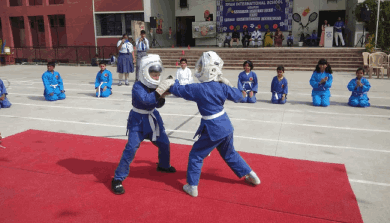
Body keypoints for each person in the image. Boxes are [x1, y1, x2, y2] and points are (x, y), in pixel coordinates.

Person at [156, 51, 260, 197]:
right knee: (230, 153)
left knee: (196, 155)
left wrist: (172, 82)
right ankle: (251, 174)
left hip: (213, 128)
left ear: (209, 69)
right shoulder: (221, 87)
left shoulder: (199, 89)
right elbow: (239, 96)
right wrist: (228, 84)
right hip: (226, 126)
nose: (199, 69)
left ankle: (192, 186)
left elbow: (180, 90)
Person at [111, 54, 176, 195]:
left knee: (164, 143)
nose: (156, 76)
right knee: (131, 148)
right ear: (145, 72)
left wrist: (164, 94)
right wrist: (160, 91)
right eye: (153, 73)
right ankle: (117, 178)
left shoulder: (155, 86)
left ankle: (164, 165)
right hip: (138, 120)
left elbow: (158, 105)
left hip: (153, 118)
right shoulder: (137, 87)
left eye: (158, 74)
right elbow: (146, 100)